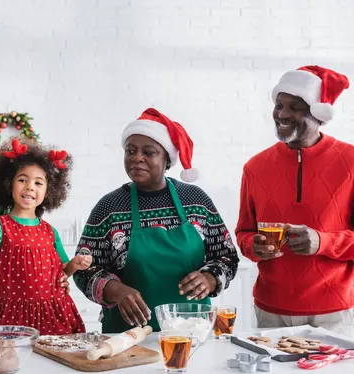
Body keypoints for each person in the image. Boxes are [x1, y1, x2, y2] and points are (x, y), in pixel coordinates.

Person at [74, 108, 239, 333]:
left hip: (191, 330)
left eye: (148, 152)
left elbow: (226, 256)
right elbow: (84, 268)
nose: (136, 158)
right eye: (130, 151)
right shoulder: (109, 207)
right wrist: (117, 290)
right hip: (127, 334)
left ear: (167, 159)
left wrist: (210, 278)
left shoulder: (196, 200)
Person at [235, 65, 354, 336]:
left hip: (336, 314)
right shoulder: (255, 167)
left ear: (318, 113)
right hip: (271, 312)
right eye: (279, 105)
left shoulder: (351, 162)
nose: (283, 114)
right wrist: (253, 246)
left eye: (295, 106)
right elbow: (244, 232)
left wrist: (322, 241)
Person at [0, 139, 91, 335]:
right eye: (22, 180)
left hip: (53, 313)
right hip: (12, 317)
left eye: (38, 182)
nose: (29, 187)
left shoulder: (50, 231)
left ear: (48, 191)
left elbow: (63, 271)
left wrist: (75, 265)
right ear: (9, 184)